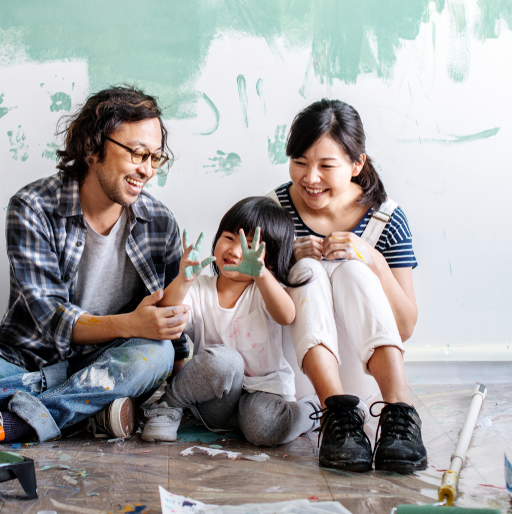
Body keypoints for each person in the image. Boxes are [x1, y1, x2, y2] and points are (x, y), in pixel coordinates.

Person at [0, 86, 189, 443]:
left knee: (155, 354)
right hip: (30, 360)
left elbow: (167, 328)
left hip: (110, 360)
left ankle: (14, 423)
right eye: (138, 154)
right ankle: (87, 411)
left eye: (155, 158)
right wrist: (129, 324)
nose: (147, 170)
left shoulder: (159, 223)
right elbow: (49, 315)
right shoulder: (33, 207)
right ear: (93, 147)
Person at [268, 99, 426, 473]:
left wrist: (373, 259)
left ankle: (399, 411)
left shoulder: (386, 216)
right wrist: (284, 259)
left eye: (326, 165)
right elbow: (249, 305)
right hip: (297, 378)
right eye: (300, 162)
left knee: (355, 271)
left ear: (357, 164)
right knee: (307, 268)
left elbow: (404, 326)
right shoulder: (275, 209)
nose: (310, 178)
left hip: (368, 376)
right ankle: (336, 415)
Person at [139, 197, 319, 447]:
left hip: (264, 395)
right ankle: (168, 405)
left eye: (248, 247)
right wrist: (182, 280)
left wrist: (262, 275)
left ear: (269, 257)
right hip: (217, 400)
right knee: (225, 361)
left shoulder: (264, 290)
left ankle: (312, 412)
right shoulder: (202, 288)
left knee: (265, 428)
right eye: (229, 238)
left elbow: (286, 315)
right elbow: (166, 313)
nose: (234, 251)